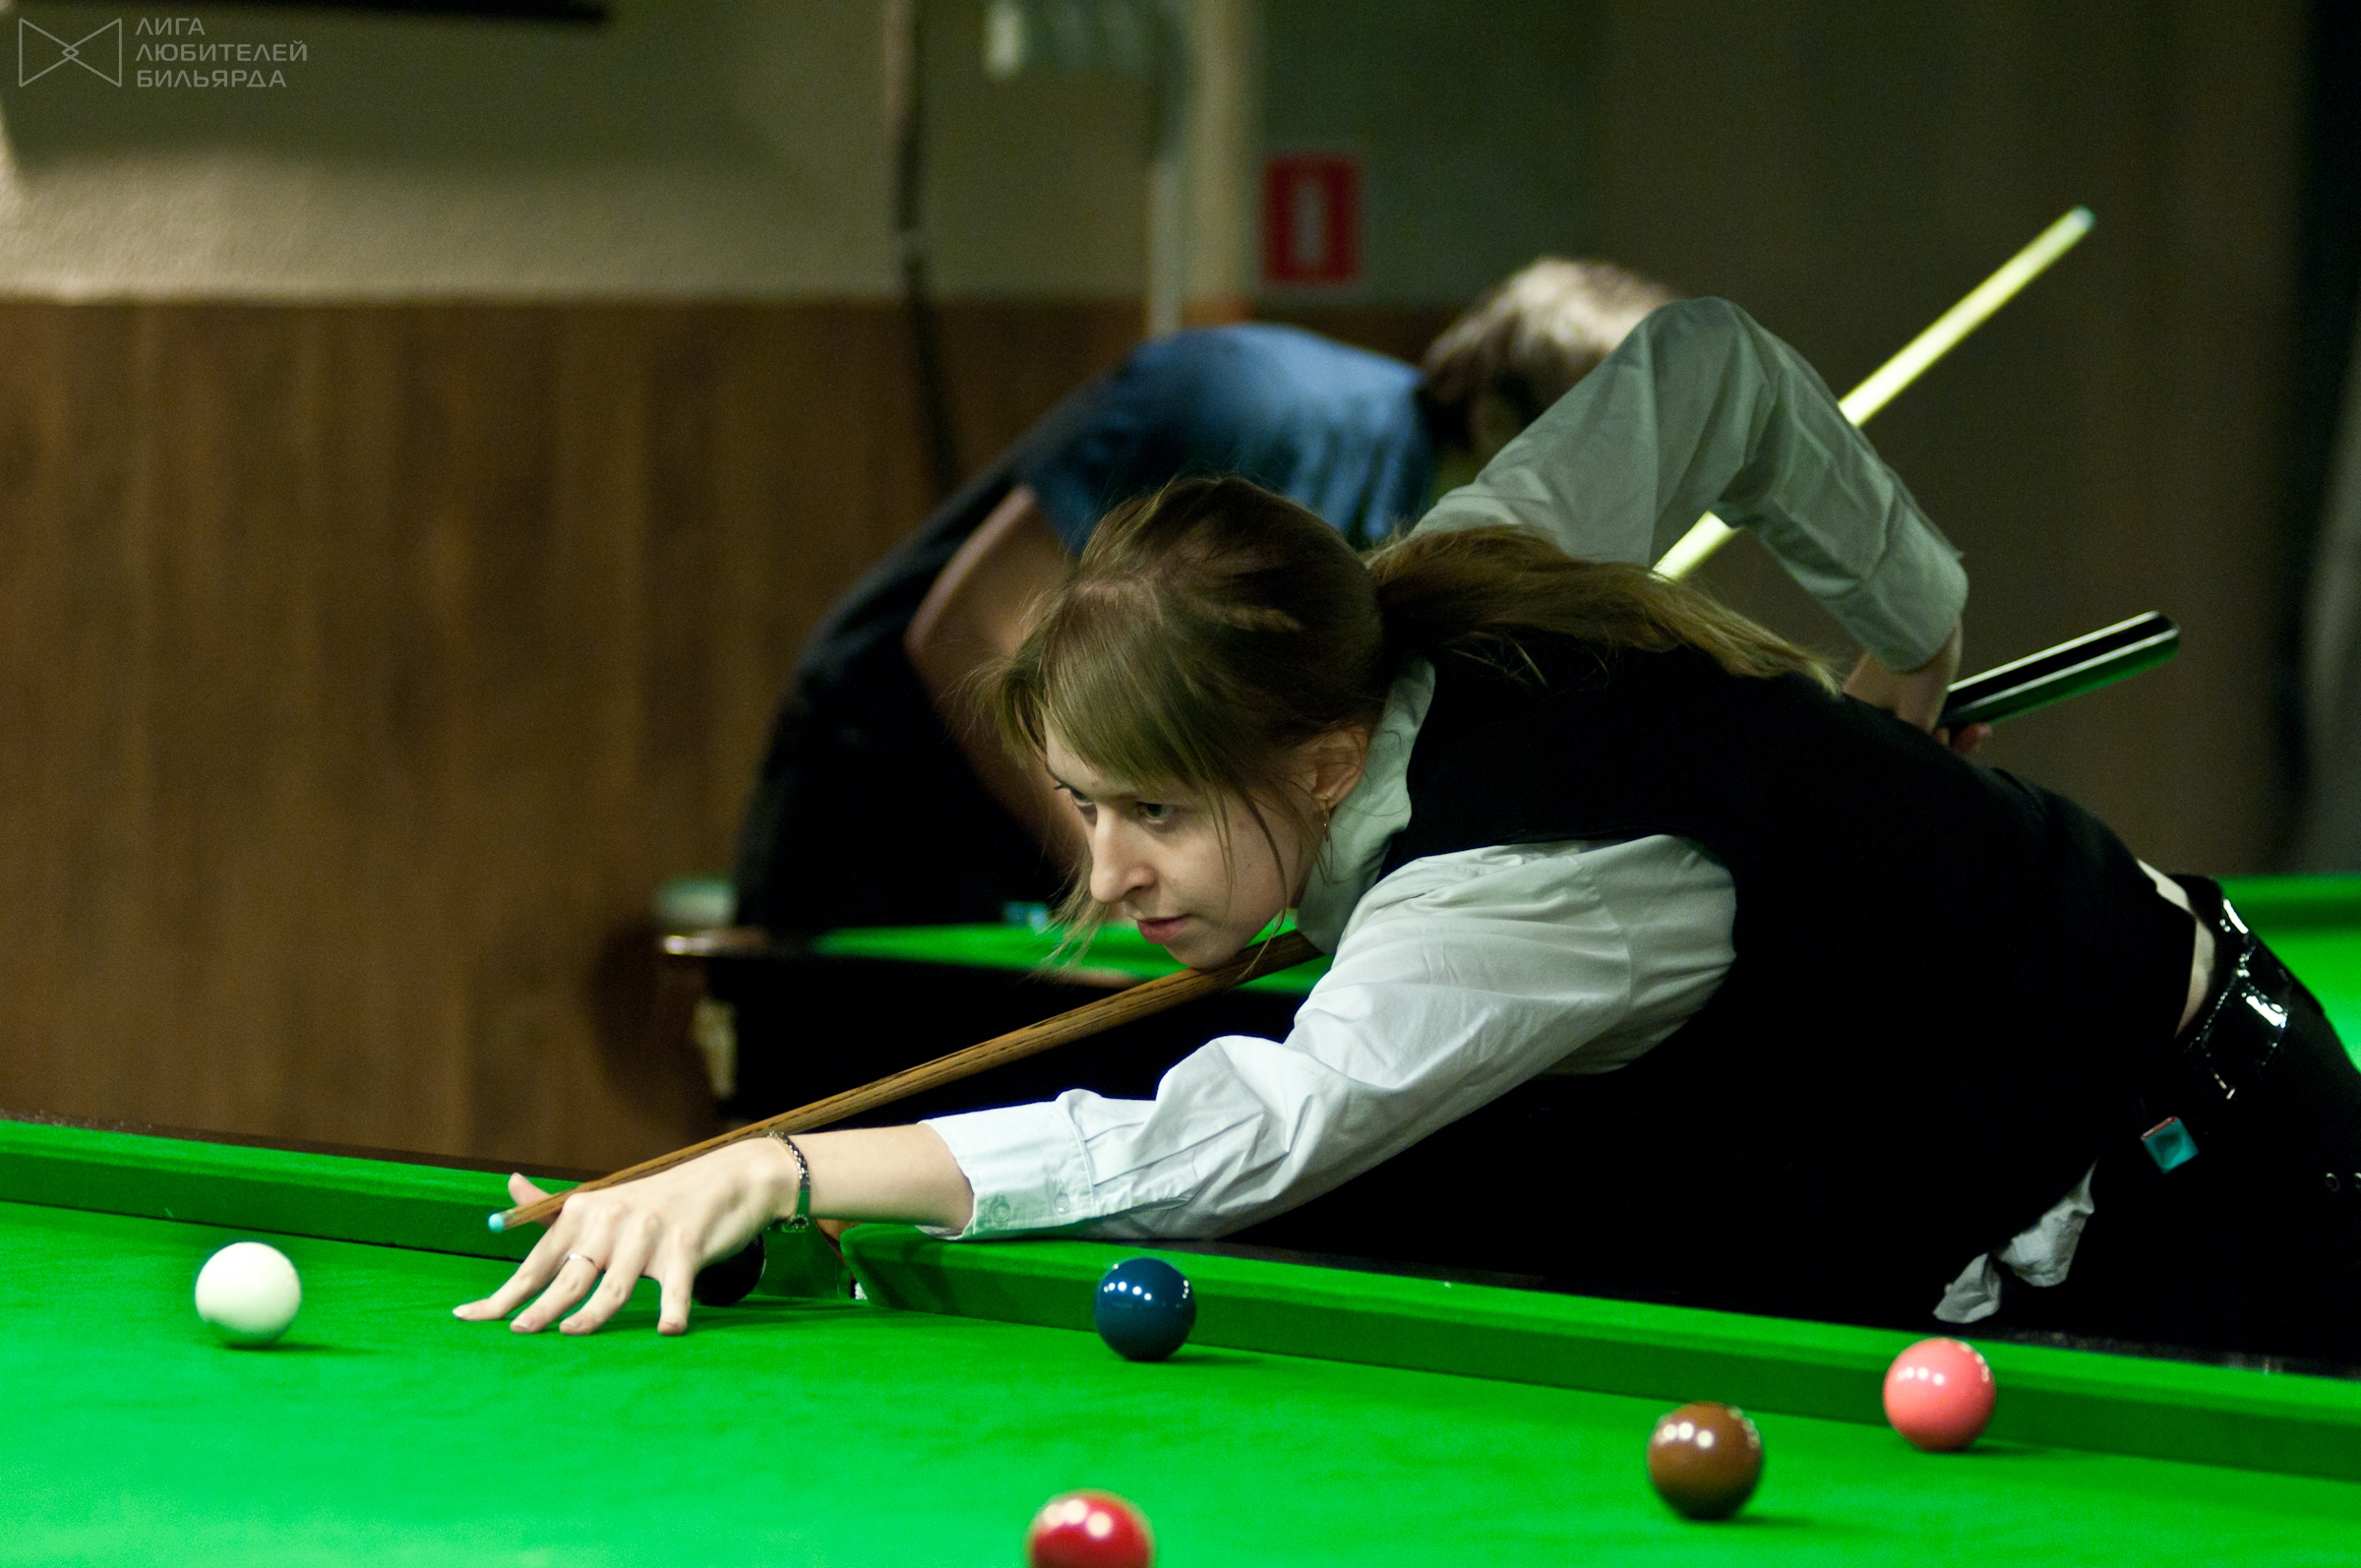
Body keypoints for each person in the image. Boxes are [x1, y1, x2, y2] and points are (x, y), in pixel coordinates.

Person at [459, 297, 2361, 1360]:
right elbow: (1713, 373)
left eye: (1154, 811)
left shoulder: (1500, 895)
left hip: (2206, 1171)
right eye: (1089, 805)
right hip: (2024, 1142)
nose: (1107, 874)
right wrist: (1911, 629)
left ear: (1315, 758)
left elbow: (1231, 1140)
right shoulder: (1429, 580)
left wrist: (792, 1165)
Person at [731, 259, 1676, 934]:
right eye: (1621, 461)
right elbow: (971, 628)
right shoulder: (1249, 405)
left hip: (1066, 828)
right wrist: (1121, 881)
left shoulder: (1454, 551)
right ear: (1503, 418)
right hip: (885, 795)